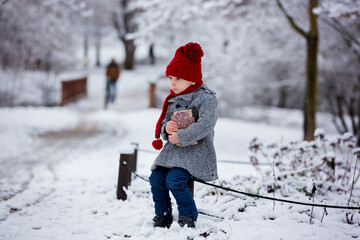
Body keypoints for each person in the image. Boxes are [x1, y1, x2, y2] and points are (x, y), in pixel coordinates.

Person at [149, 42, 218, 228]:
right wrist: (167, 128)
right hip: (173, 151)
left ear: (192, 79)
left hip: (196, 152)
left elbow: (206, 124)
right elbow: (164, 122)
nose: (172, 83)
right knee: (156, 177)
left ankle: (188, 216)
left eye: (178, 78)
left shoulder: (206, 99)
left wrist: (181, 136)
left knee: (175, 180)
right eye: (170, 77)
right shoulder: (173, 99)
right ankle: (163, 214)